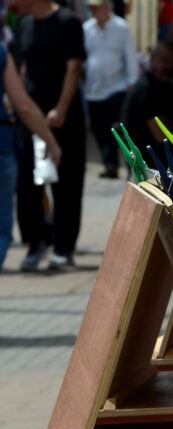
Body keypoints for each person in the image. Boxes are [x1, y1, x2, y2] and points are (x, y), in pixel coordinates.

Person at [13, 0, 85, 271]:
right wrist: (20, 108)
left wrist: (61, 109)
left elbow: (73, 67)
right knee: (27, 186)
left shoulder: (68, 22)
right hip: (32, 120)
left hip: (62, 118)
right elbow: (22, 69)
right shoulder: (23, 24)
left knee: (66, 186)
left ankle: (64, 248)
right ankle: (36, 241)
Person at [0, 41, 62, 271]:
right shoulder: (2, 53)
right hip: (3, 143)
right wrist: (51, 141)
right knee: (3, 220)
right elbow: (23, 105)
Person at [83, 0, 138, 179]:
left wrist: (132, 80)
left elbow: (129, 53)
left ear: (107, 7)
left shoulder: (121, 27)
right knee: (98, 128)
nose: (94, 10)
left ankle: (119, 163)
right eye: (91, 7)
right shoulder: (87, 29)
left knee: (114, 128)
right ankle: (109, 163)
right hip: (93, 88)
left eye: (97, 7)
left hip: (116, 86)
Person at [121, 43, 173, 164]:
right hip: (151, 165)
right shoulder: (147, 89)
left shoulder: (163, 86)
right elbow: (160, 135)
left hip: (162, 159)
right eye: (164, 60)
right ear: (152, 59)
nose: (169, 66)